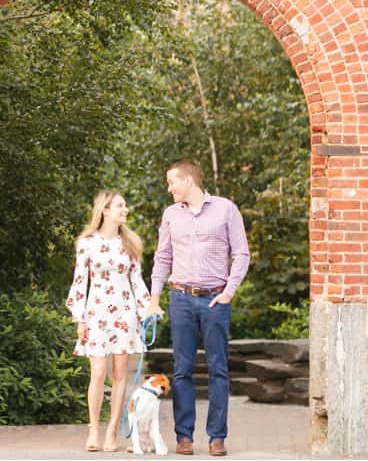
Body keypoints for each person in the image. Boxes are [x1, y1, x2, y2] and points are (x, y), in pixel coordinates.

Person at [143, 160, 250, 457]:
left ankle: (217, 437)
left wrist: (229, 292)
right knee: (182, 371)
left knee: (218, 369)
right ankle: (184, 437)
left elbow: (241, 253)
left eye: (171, 182)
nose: (169, 188)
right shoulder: (170, 215)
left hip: (215, 299)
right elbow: (162, 258)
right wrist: (154, 298)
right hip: (181, 299)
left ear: (188, 180)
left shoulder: (226, 209)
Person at [66, 190, 152, 453]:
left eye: (125, 206)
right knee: (98, 373)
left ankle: (112, 431)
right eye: (120, 206)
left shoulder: (131, 244)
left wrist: (148, 308)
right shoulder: (87, 243)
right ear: (105, 210)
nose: (125, 210)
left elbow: (136, 282)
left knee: (119, 375)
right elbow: (80, 282)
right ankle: (93, 429)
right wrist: (79, 318)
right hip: (96, 314)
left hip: (124, 316)